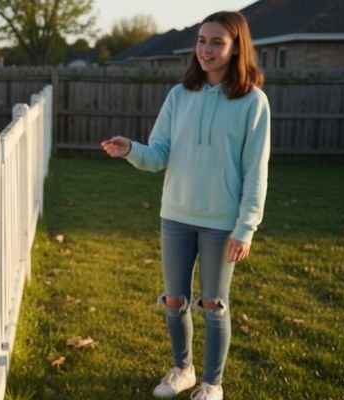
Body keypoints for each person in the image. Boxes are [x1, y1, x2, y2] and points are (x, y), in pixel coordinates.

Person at [101, 11, 270, 400]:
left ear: (236, 48)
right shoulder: (179, 95)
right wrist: (131, 150)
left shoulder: (252, 103)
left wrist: (246, 228)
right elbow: (159, 154)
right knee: (174, 300)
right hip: (175, 215)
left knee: (213, 304)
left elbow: (255, 171)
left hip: (222, 222)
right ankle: (183, 370)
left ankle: (212, 383)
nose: (206, 50)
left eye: (216, 42)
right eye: (201, 41)